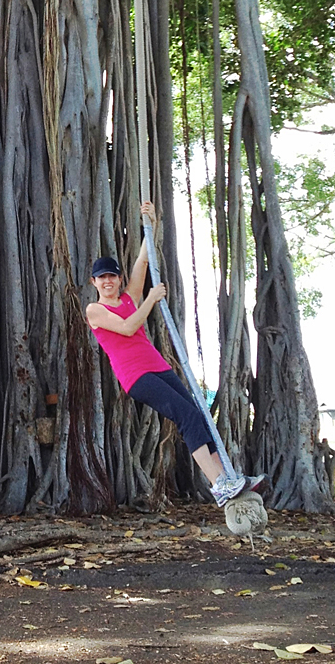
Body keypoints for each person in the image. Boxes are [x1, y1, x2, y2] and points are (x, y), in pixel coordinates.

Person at [86, 201, 262, 507]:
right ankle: (219, 485)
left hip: (158, 366)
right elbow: (128, 328)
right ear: (94, 282)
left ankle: (230, 478)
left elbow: (142, 262)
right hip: (136, 376)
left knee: (201, 417)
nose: (108, 281)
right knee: (186, 417)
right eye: (102, 278)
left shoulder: (128, 297)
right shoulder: (95, 310)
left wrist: (149, 224)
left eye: (112, 276)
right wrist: (152, 299)